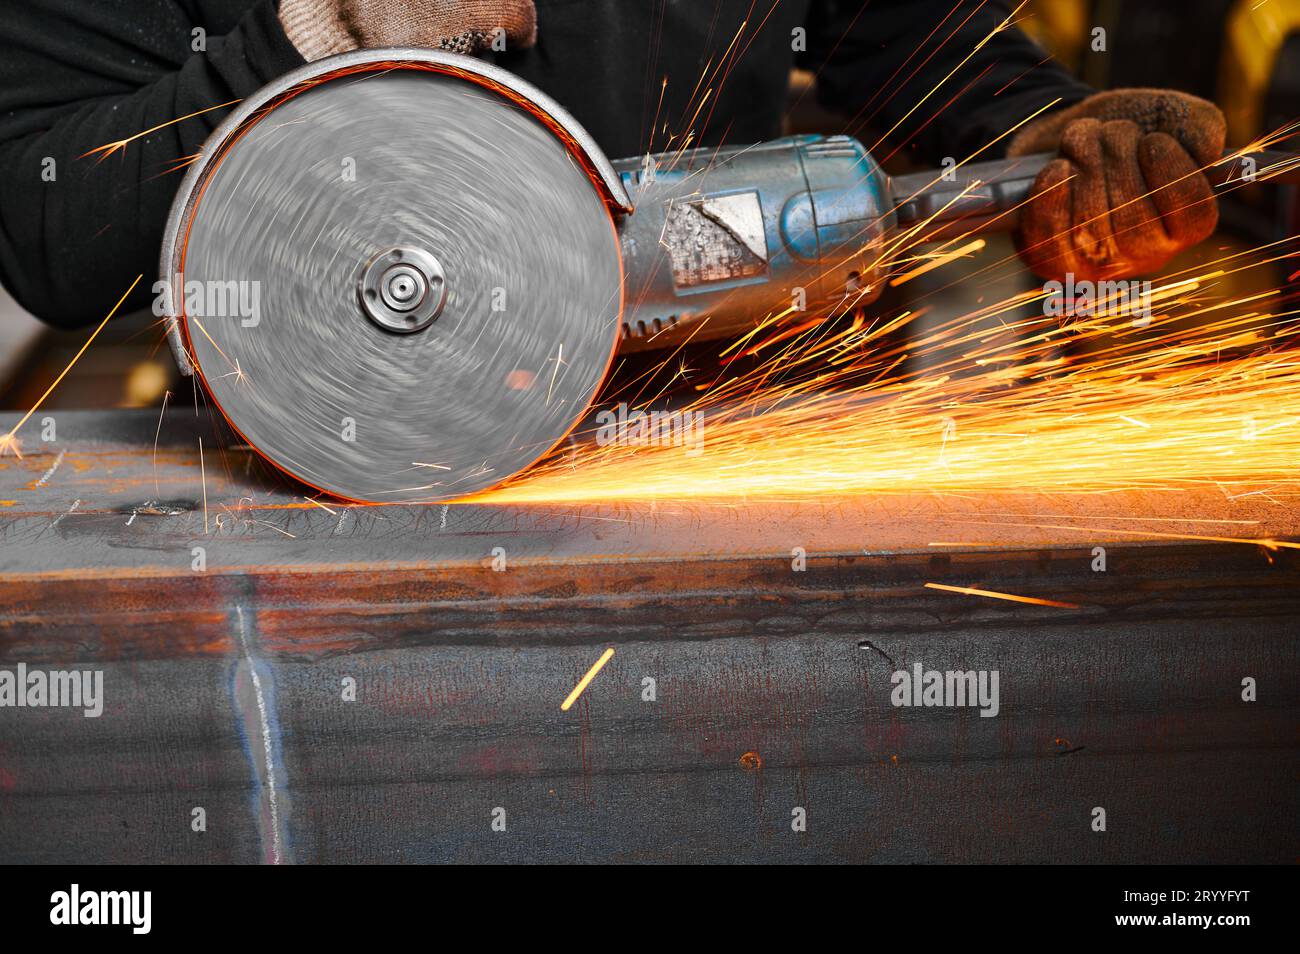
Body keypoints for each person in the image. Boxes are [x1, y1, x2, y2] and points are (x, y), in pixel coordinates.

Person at [0, 0, 1225, 328]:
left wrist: (1038, 132)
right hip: (312, 487)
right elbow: (49, 225)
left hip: (716, 460)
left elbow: (903, 33)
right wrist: (316, 44)